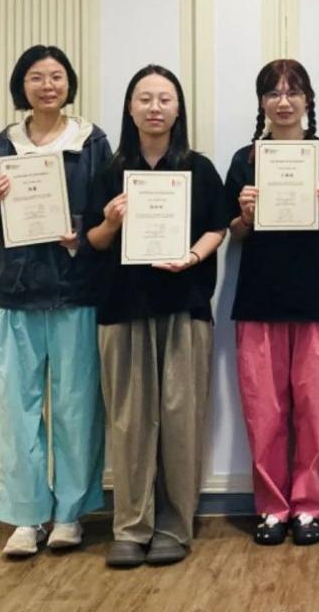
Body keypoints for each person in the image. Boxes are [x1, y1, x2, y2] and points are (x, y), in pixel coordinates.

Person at [0, 44, 109, 558]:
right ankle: (27, 517)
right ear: (21, 86)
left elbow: (110, 211)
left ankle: (70, 514)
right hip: (14, 293)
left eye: (56, 76)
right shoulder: (2, 144)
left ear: (69, 83)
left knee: (76, 407)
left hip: (75, 292)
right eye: (36, 77)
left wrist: (81, 231)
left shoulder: (92, 142)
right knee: (18, 411)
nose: (47, 86)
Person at [85, 65, 228, 568]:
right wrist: (110, 221)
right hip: (122, 309)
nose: (154, 108)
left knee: (180, 419)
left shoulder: (199, 168)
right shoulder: (109, 171)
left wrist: (192, 256)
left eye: (164, 99)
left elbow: (218, 228)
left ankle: (174, 525)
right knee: (128, 421)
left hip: (184, 306)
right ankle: (130, 526)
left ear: (178, 108)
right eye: (144, 98)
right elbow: (92, 242)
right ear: (130, 108)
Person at [225, 59, 319, 547]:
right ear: (261, 102)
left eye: (293, 92)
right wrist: (244, 214)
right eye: (273, 93)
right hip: (259, 301)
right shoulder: (245, 159)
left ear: (308, 100)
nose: (284, 102)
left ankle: (308, 507)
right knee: (264, 412)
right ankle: (271, 508)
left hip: (318, 300)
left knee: (315, 411)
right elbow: (232, 232)